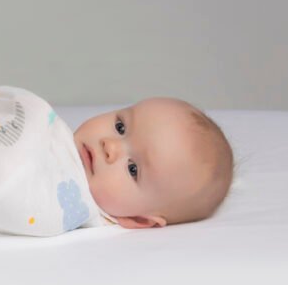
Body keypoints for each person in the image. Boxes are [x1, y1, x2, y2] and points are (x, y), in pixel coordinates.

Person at [73, 97, 234, 229]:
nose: (109, 146)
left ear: (139, 219)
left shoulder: (69, 210)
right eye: (120, 127)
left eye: (132, 169)